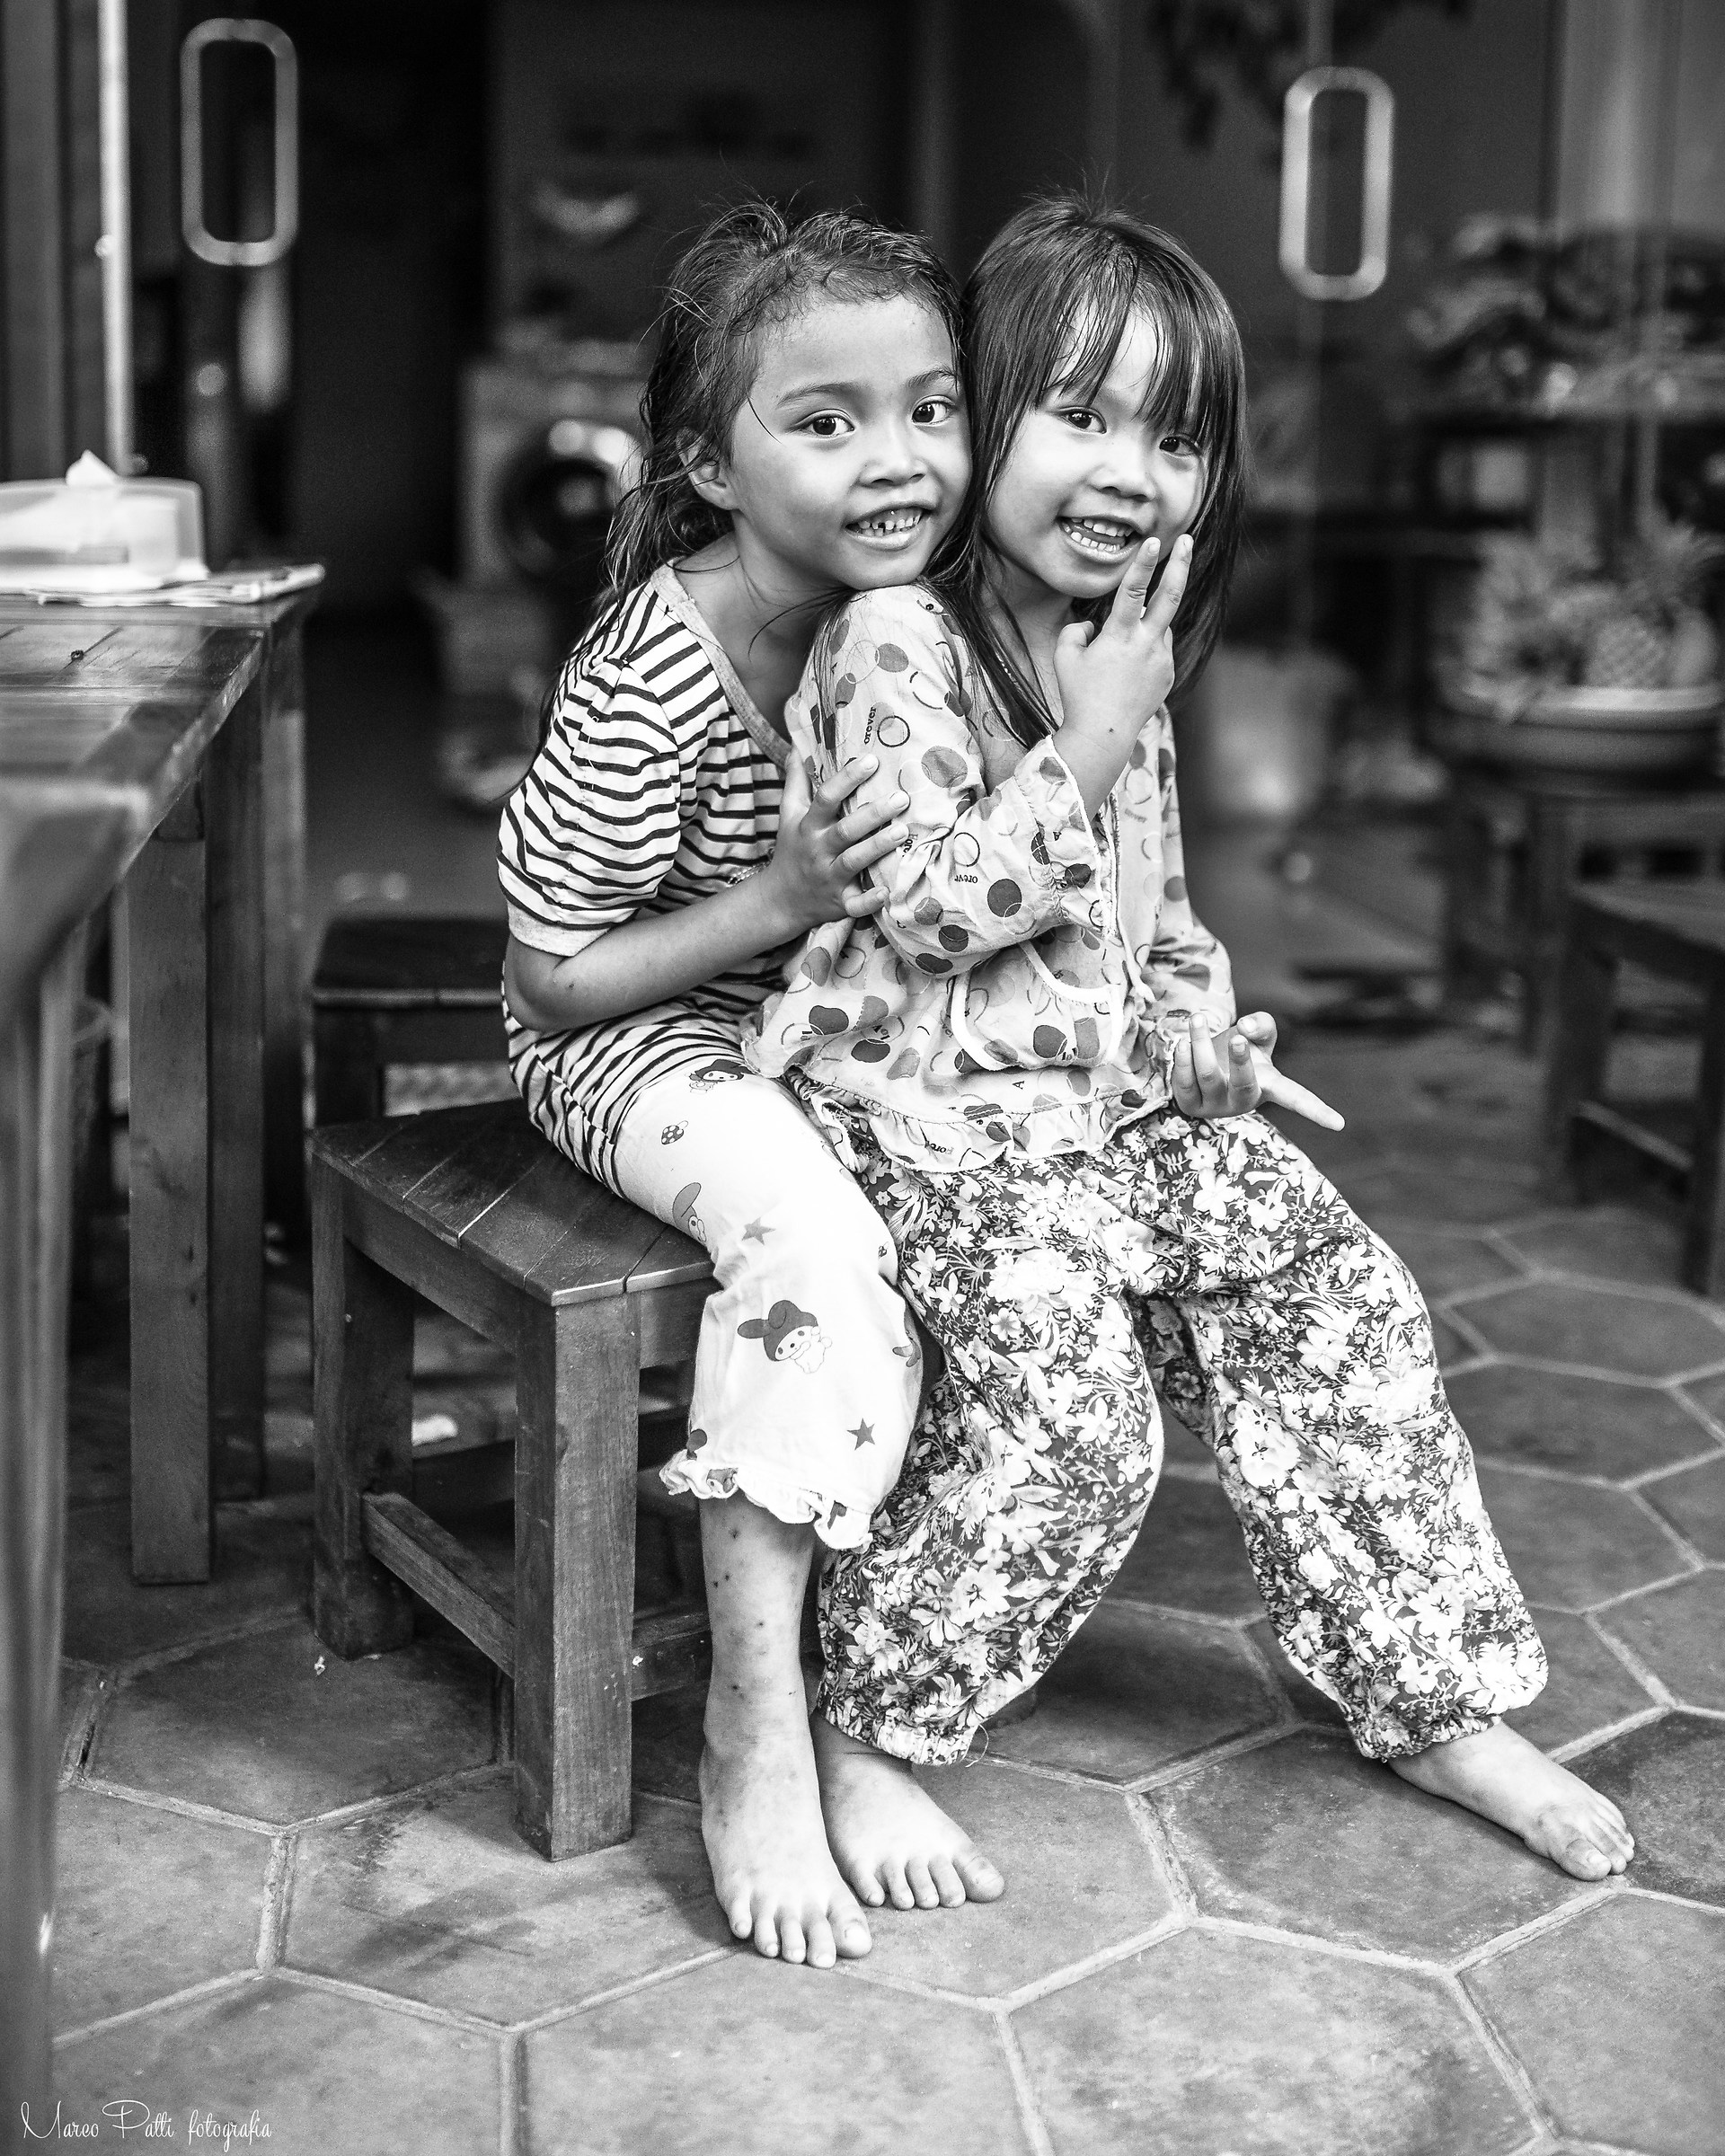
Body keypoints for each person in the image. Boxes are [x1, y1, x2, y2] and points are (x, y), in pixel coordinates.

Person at [746, 194, 1634, 1897]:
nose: (1130, 474)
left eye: (1177, 439)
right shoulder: (893, 639)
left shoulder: (1120, 663)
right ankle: (870, 1729)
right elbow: (928, 909)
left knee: (1337, 1292)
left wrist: (1203, 1039)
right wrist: (1086, 739)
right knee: (1080, 1423)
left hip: (1102, 1115)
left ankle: (1431, 1697)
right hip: (918, 1125)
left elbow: (1153, 924)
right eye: (1082, 416)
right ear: (981, 420)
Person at [498, 202, 995, 1971]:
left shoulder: (920, 621)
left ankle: (879, 1708)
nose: (900, 458)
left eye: (931, 408)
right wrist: (778, 901)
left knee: (996, 1230)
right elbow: (552, 972)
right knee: (818, 1245)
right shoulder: (653, 671)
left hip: (820, 1021)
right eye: (829, 420)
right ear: (710, 465)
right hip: (630, 1039)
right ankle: (757, 1726)